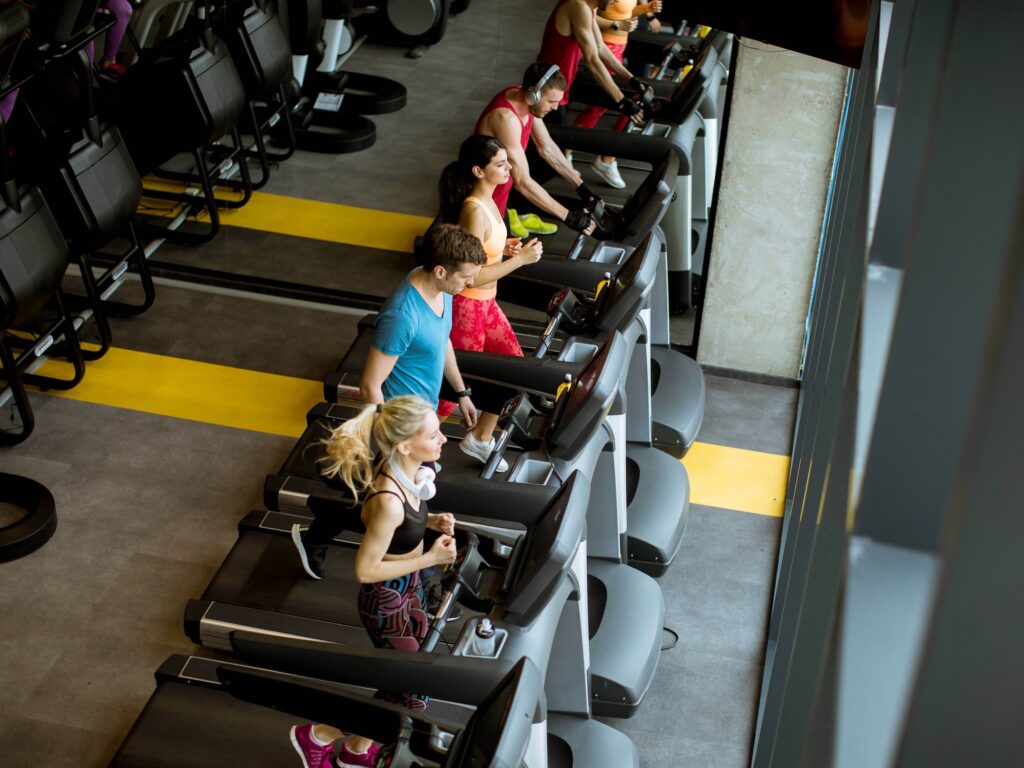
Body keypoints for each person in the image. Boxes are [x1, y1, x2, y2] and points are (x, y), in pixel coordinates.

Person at [292, 225, 484, 581]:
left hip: (419, 417)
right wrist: (389, 441)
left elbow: (442, 341)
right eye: (465, 277)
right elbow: (370, 385)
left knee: (391, 499)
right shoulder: (403, 315)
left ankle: (323, 529)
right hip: (397, 425)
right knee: (385, 500)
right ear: (441, 270)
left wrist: (460, 392)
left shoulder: (442, 289)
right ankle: (322, 533)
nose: (468, 284)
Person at [289, 397, 459, 768]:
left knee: (403, 683)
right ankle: (320, 735)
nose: (443, 439)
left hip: (409, 588)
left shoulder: (408, 473)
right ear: (404, 445)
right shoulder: (389, 500)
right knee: (416, 693)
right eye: (434, 435)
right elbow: (365, 571)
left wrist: (431, 524)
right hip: (386, 603)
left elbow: (403, 528)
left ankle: (354, 750)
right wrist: (432, 557)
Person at [436, 135, 544, 469]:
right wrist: (521, 261)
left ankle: (480, 438)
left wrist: (506, 248)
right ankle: (404, 445)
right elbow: (469, 275)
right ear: (478, 171)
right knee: (449, 395)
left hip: (487, 306)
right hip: (469, 307)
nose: (508, 167)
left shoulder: (491, 203)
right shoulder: (474, 211)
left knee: (513, 369)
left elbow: (483, 253)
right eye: (500, 164)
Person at [475, 62, 599, 239]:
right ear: (533, 95)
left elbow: (546, 147)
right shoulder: (506, 119)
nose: (556, 107)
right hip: (487, 202)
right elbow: (523, 182)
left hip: (502, 192)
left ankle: (517, 212)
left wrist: (581, 187)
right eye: (551, 101)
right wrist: (569, 216)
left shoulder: (523, 98)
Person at [537, 0, 649, 188]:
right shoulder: (577, 6)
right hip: (545, 89)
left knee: (549, 156)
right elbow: (591, 59)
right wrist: (621, 101)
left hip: (558, 90)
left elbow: (601, 49)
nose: (615, 2)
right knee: (545, 159)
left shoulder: (589, 8)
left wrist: (632, 79)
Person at [567, 0, 664, 189]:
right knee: (598, 106)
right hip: (607, 45)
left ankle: (601, 157)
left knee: (599, 107)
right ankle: (577, 153)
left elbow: (624, 13)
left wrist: (645, 10)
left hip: (617, 49)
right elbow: (595, 17)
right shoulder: (584, 5)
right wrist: (617, 25)